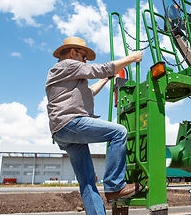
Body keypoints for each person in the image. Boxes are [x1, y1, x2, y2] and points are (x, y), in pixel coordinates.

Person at [45, 37, 143, 215]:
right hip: (70, 122)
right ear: (73, 52)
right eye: (83, 57)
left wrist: (106, 79)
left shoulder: (65, 74)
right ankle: (114, 186)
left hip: (63, 131)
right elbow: (101, 68)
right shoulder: (67, 64)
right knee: (119, 132)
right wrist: (131, 58)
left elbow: (90, 92)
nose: (85, 61)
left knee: (87, 181)